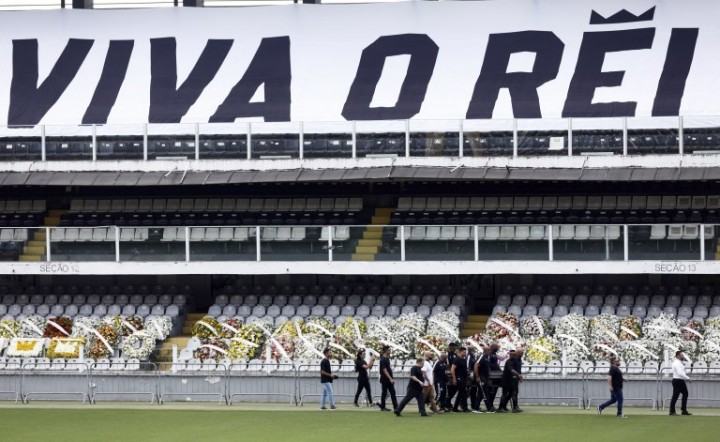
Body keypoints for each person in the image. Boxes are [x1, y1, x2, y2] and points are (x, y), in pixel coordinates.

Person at [669, 351, 692, 416]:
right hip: (678, 381)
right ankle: (673, 411)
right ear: (678, 355)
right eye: (682, 355)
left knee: (684, 394)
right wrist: (687, 378)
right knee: (676, 396)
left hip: (679, 380)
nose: (683, 356)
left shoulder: (678, 363)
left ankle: (682, 410)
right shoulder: (677, 363)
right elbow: (680, 373)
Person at [475, 346, 495, 413]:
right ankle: (489, 408)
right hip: (481, 378)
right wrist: (477, 377)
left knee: (480, 393)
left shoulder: (487, 358)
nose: (490, 352)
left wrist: (488, 378)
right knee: (484, 393)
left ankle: (476, 408)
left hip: (485, 378)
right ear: (485, 351)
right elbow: (476, 366)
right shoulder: (482, 357)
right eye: (489, 350)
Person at [378, 346, 398, 412]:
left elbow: (388, 369)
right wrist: (390, 378)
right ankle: (383, 407)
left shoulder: (387, 359)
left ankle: (396, 407)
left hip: (388, 379)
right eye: (389, 350)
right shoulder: (383, 359)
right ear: (386, 351)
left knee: (392, 392)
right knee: (384, 393)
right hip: (385, 379)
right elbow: (384, 370)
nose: (390, 351)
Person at [451, 346, 470, 412]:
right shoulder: (457, 360)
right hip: (459, 378)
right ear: (460, 352)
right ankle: (465, 408)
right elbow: (452, 369)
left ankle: (455, 408)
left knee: (460, 394)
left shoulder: (464, 360)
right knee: (463, 393)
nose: (465, 353)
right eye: (464, 352)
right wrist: (454, 379)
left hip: (463, 378)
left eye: (465, 352)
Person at [445, 342, 458, 409]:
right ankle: (446, 403)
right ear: (450, 347)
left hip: (455, 374)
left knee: (454, 389)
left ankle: (448, 402)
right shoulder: (447, 355)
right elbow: (447, 366)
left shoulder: (455, 355)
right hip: (450, 374)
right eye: (453, 347)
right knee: (449, 389)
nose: (455, 349)